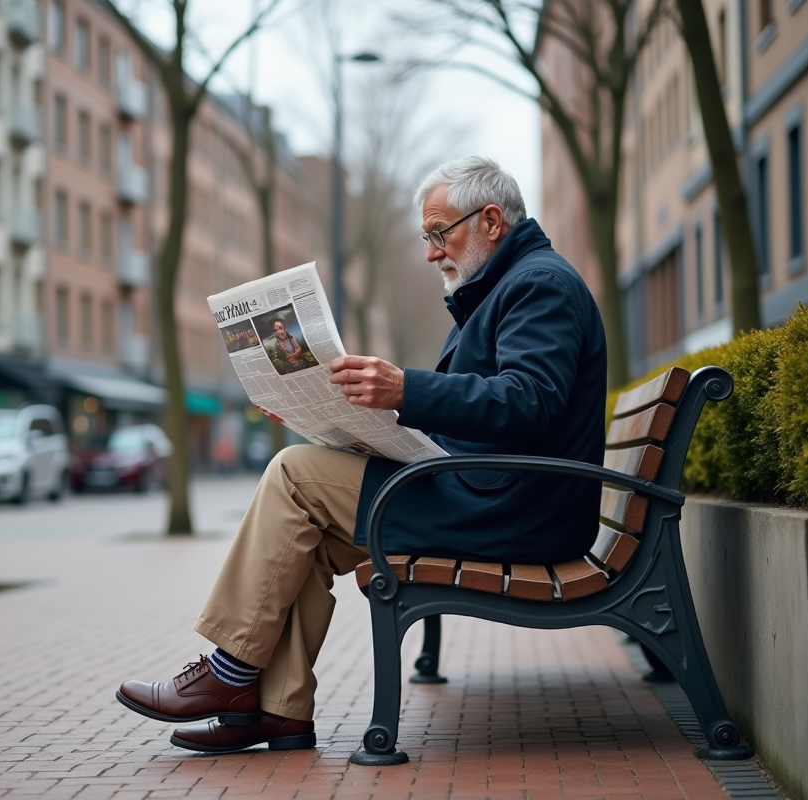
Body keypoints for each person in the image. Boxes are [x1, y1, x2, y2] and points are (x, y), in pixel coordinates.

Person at [116, 156, 608, 754]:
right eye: (427, 238)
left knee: (293, 475)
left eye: (439, 233)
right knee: (309, 533)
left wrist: (406, 389)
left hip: (516, 506)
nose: (432, 253)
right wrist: (326, 414)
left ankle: (230, 675)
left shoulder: (539, 285)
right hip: (493, 490)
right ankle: (278, 711)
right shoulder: (506, 287)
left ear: (492, 220)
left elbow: (531, 403)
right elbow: (492, 411)